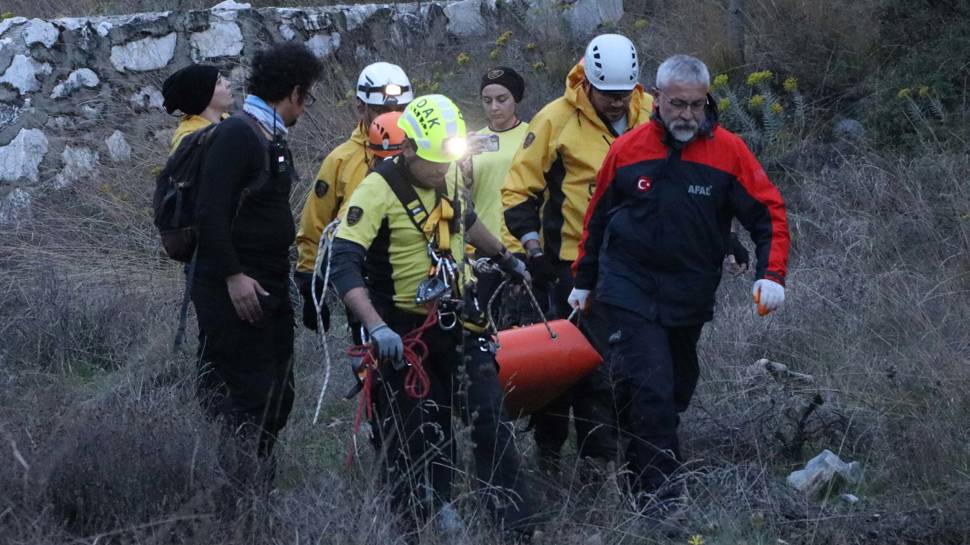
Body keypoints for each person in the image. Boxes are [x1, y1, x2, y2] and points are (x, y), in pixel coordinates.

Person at [571, 54, 790, 513]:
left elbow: (768, 212)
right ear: (656, 99)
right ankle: (661, 503)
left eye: (695, 105)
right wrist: (583, 281)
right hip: (627, 286)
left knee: (674, 387)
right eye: (676, 105)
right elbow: (597, 219)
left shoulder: (729, 152)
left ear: (706, 100)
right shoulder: (627, 149)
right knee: (651, 383)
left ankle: (635, 469)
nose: (687, 115)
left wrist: (770, 275)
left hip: (688, 291)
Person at [328, 95, 536, 539]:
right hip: (404, 334)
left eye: (448, 160)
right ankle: (421, 521)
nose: (442, 170)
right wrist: (377, 327)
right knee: (421, 430)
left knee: (489, 416)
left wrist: (504, 257)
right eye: (433, 162)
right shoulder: (376, 190)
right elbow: (343, 262)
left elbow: (466, 218)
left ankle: (514, 522)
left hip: (457, 323)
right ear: (406, 150)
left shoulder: (448, 172)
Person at [501, 34, 653, 476]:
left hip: (636, 265)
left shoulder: (650, 114)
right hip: (569, 267)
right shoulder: (554, 120)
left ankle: (608, 455)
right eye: (608, 95)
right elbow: (517, 191)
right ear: (587, 81)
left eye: (624, 95)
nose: (616, 103)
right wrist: (533, 250)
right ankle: (552, 453)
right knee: (566, 367)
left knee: (623, 364)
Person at [191, 42, 323, 492]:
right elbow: (208, 214)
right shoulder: (238, 135)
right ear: (296, 91)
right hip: (237, 287)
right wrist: (233, 277)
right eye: (308, 96)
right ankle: (236, 495)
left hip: (265, 282)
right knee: (251, 395)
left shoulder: (266, 135)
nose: (306, 107)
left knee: (277, 393)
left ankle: (254, 486)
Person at [295, 62, 414, 335]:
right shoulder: (341, 160)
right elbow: (316, 223)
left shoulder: (422, 154)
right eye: (383, 111)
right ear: (362, 107)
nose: (393, 119)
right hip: (363, 276)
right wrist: (309, 281)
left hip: (414, 272)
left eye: (401, 110)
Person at [459, 66, 531, 325]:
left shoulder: (532, 135)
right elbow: (460, 193)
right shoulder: (473, 141)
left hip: (523, 243)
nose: (494, 107)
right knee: (485, 323)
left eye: (502, 99)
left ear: (515, 99)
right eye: (487, 101)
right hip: (484, 246)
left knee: (524, 323)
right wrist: (462, 164)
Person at [161, 63, 234, 153]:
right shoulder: (190, 143)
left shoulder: (226, 118)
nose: (228, 83)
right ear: (203, 95)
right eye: (219, 82)